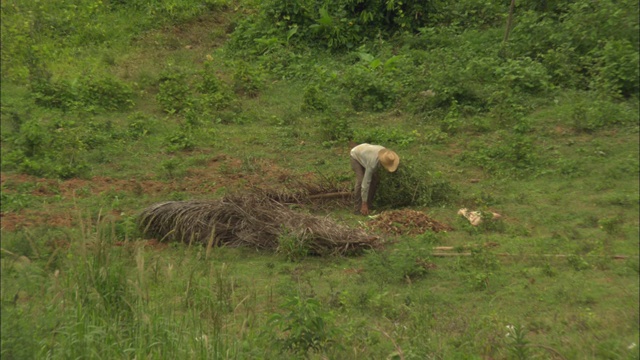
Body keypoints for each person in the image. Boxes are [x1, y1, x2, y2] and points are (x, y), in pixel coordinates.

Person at [350, 143, 400, 216]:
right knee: (361, 181)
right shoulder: (373, 164)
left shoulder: (387, 154)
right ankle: (358, 208)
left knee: (375, 180)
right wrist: (364, 203)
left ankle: (369, 204)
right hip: (356, 155)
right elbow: (365, 183)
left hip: (366, 153)